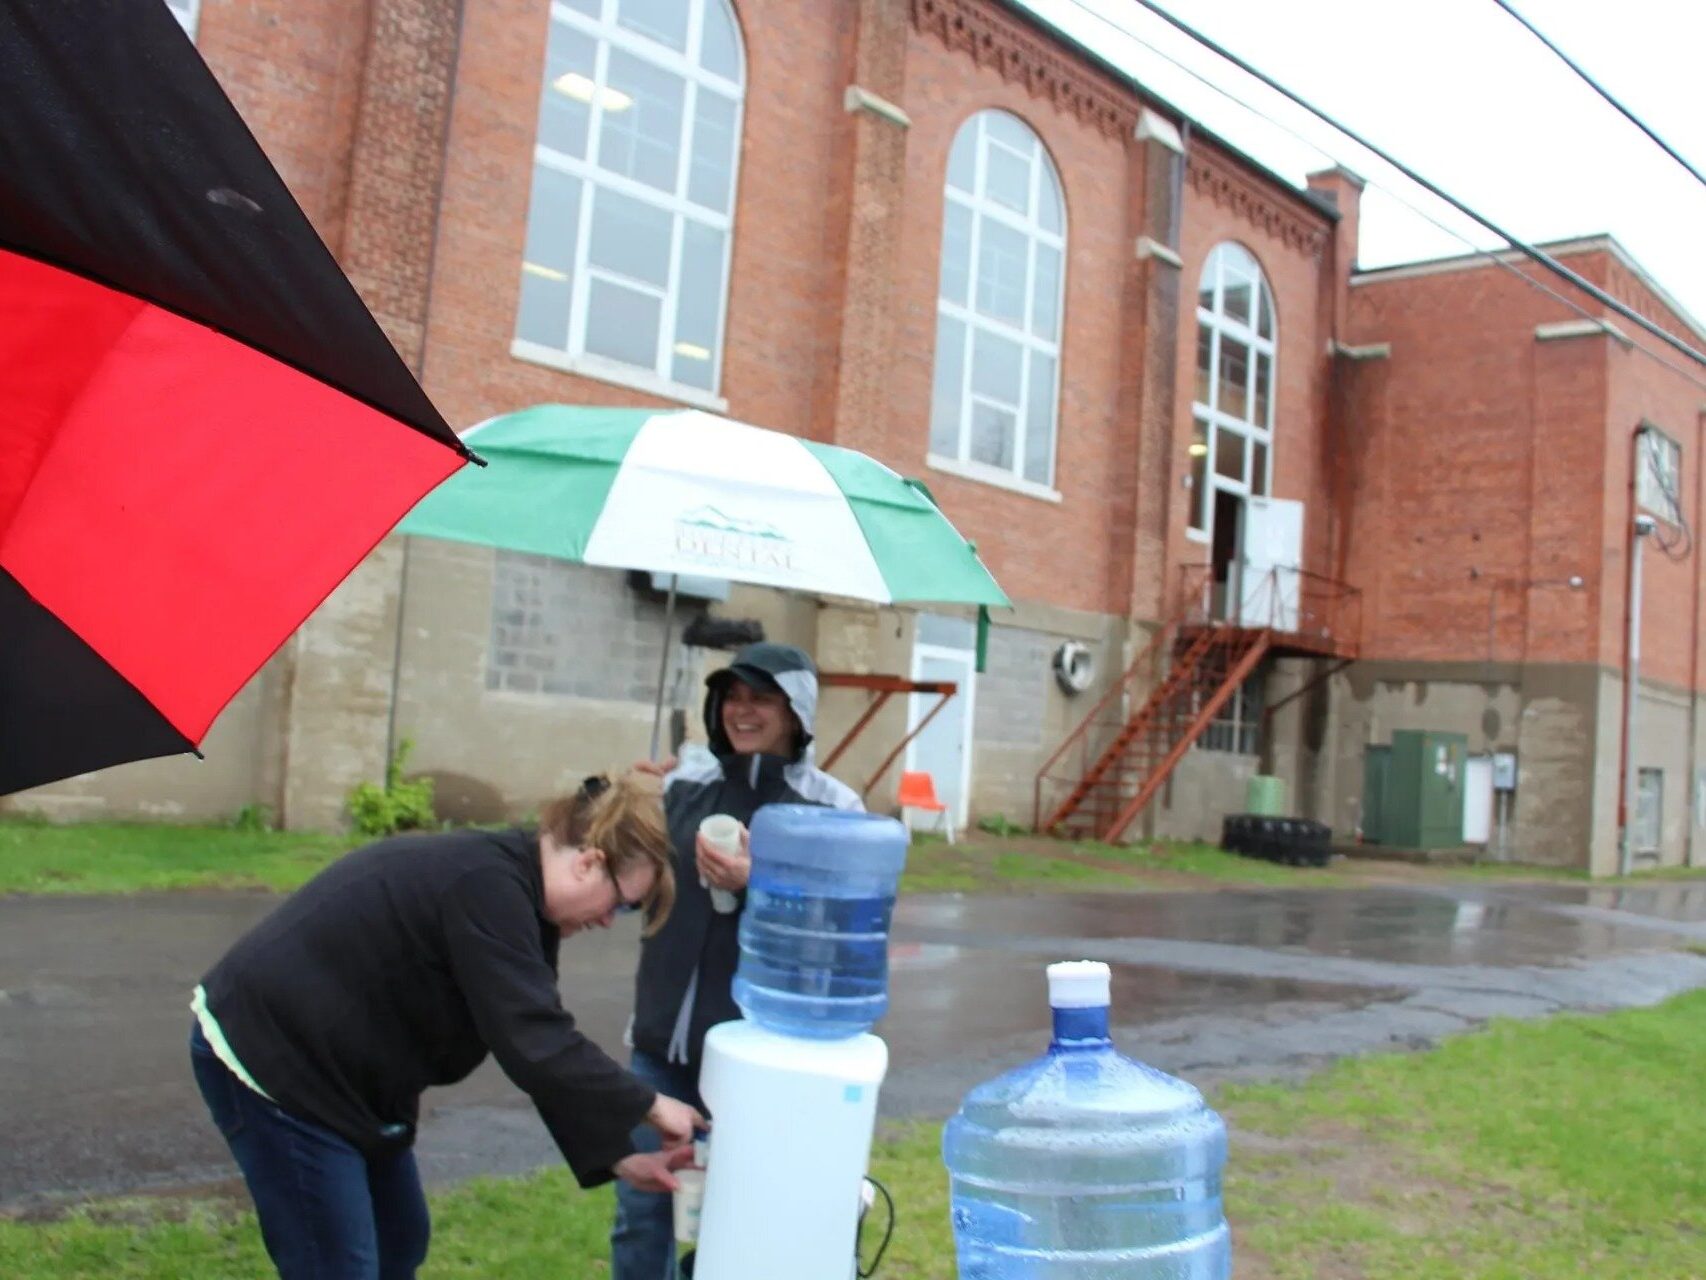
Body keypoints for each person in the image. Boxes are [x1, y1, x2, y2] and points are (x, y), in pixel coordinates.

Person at [190, 770, 705, 1280]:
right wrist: (651, 1103)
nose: (608, 921)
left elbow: (530, 1041)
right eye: (622, 903)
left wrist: (618, 1157)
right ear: (589, 863)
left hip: (355, 1083)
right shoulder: (486, 884)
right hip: (276, 1061)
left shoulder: (521, 899)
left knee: (399, 1241)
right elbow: (536, 1039)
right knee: (338, 1264)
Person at [610, 642, 863, 1280]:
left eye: (762, 698)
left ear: (797, 711)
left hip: (764, 1059)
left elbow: (840, 939)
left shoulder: (835, 811)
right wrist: (622, 799)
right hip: (661, 1046)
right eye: (733, 697)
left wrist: (760, 881)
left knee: (745, 1213)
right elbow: (617, 888)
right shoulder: (682, 785)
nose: (741, 712)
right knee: (643, 1215)